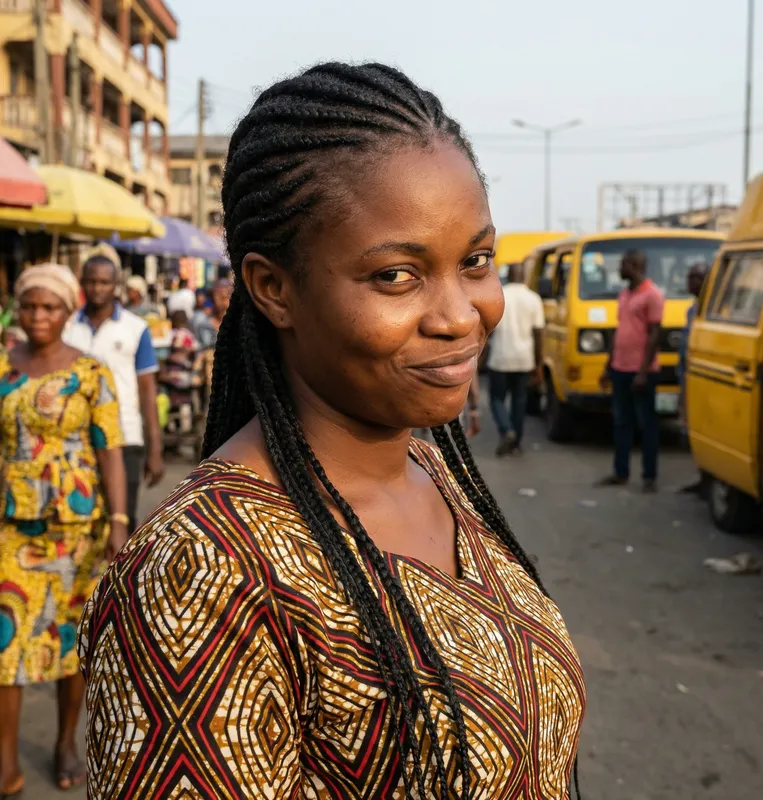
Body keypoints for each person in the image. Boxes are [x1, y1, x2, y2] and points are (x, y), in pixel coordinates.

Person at [79, 63, 585, 799]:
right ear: (273, 288)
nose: (459, 314)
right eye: (396, 276)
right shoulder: (202, 578)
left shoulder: (430, 469)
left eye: (475, 262)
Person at [0, 264, 127, 795]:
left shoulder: (92, 373)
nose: (38, 316)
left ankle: (65, 741)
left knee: (71, 643)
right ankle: (5, 759)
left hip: (78, 532)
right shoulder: (4, 367)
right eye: (29, 306)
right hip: (12, 524)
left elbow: (110, 450)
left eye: (49, 307)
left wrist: (120, 521)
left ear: (67, 311)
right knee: (6, 642)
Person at [63, 255, 164, 532]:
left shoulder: (136, 328)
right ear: (82, 283)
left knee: (122, 519)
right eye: (92, 282)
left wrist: (155, 448)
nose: (98, 288)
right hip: (78, 438)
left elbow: (147, 390)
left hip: (125, 437)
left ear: (115, 285)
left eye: (105, 282)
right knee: (81, 518)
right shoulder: (68, 327)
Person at [598, 250, 664, 492]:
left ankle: (649, 476)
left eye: (623, 264)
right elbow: (620, 331)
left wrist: (644, 372)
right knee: (621, 422)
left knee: (647, 425)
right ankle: (621, 472)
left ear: (634, 265)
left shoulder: (653, 295)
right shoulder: (625, 294)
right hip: (620, 369)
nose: (619, 269)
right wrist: (608, 365)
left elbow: (655, 334)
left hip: (641, 372)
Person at [486, 261, 545, 456]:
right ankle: (516, 444)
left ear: (509, 275)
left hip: (500, 358)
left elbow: (489, 330)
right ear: (523, 275)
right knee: (519, 402)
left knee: (496, 399)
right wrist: (538, 363)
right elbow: (538, 334)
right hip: (523, 359)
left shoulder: (499, 296)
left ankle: (506, 430)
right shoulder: (533, 298)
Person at [678, 260, 709, 493]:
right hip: (687, 374)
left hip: (703, 378)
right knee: (691, 427)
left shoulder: (712, 310)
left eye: (694, 278)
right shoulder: (692, 309)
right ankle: (702, 477)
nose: (689, 282)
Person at [193, 278, 232, 349]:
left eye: (225, 296)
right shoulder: (202, 322)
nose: (221, 300)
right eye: (217, 295)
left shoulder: (239, 324)